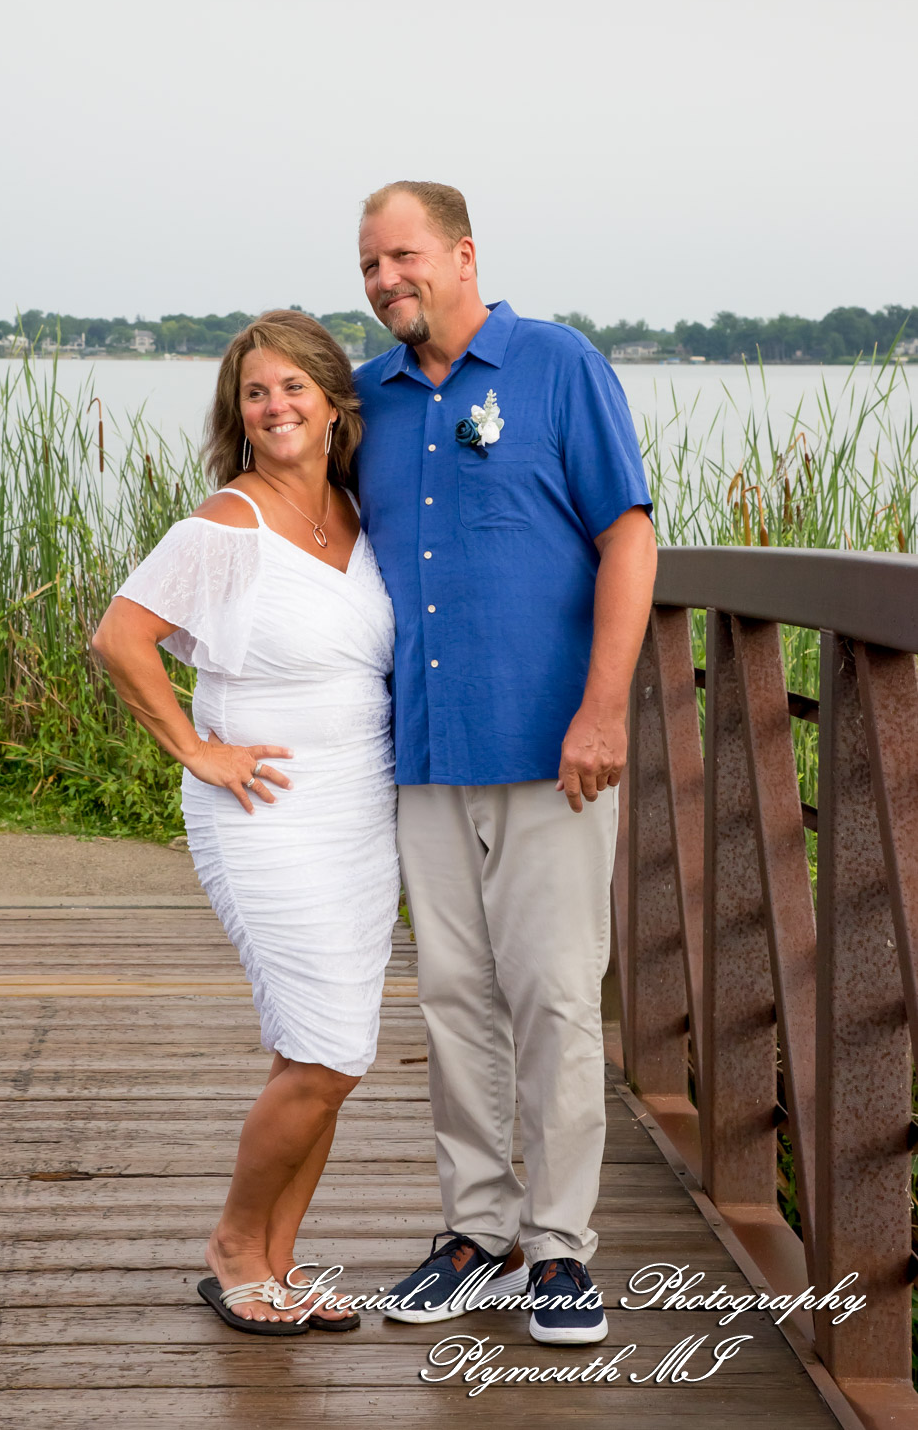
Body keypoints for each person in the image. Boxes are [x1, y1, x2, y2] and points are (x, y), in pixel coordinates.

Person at [353, 181, 658, 1345]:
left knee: (554, 997)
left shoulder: (555, 365)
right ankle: (475, 1230)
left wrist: (602, 708)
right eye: (370, 265)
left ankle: (561, 1247)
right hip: (424, 751)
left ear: (463, 253)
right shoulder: (366, 399)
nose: (386, 281)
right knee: (451, 1000)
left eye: (404, 256)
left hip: (550, 750)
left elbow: (626, 536)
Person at [91, 311, 399, 1336]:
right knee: (324, 1052)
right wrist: (196, 748)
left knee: (330, 1052)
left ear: (333, 404)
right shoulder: (226, 527)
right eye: (255, 393)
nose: (273, 407)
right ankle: (233, 1247)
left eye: (292, 389)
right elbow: (120, 639)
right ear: (241, 413)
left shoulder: (360, 516)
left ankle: (277, 1259)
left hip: (363, 813)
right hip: (263, 814)